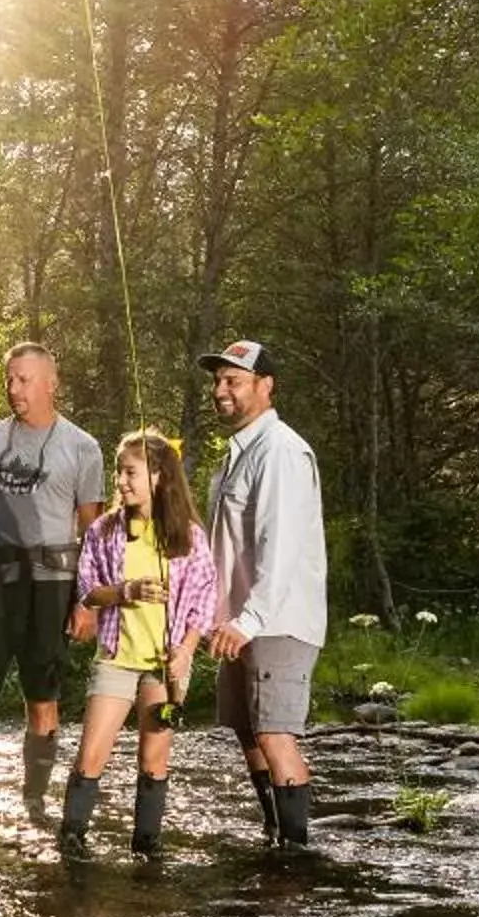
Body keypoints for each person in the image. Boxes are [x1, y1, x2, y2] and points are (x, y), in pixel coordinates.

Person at [0, 344, 108, 822]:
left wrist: (88, 602)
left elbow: (93, 532)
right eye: (9, 378)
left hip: (53, 585)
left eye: (23, 379)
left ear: (49, 383)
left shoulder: (82, 447)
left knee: (43, 697)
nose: (12, 387)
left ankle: (34, 801)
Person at [61, 430, 218, 857]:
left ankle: (147, 849)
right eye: (119, 473)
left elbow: (204, 601)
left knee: (154, 760)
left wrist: (185, 651)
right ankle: (72, 842)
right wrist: (126, 590)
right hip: (116, 658)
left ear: (159, 477)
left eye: (131, 473)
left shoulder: (189, 536)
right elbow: (89, 592)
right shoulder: (103, 531)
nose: (122, 482)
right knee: (91, 754)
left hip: (162, 668)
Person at [199, 340, 327, 846]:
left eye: (233, 380)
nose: (220, 390)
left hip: (277, 622)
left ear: (265, 386)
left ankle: (297, 855)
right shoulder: (237, 455)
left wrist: (248, 620)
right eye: (217, 381)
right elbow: (224, 548)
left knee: (275, 735)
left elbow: (283, 547)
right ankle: (275, 834)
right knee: (247, 732)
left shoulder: (281, 452)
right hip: (238, 624)